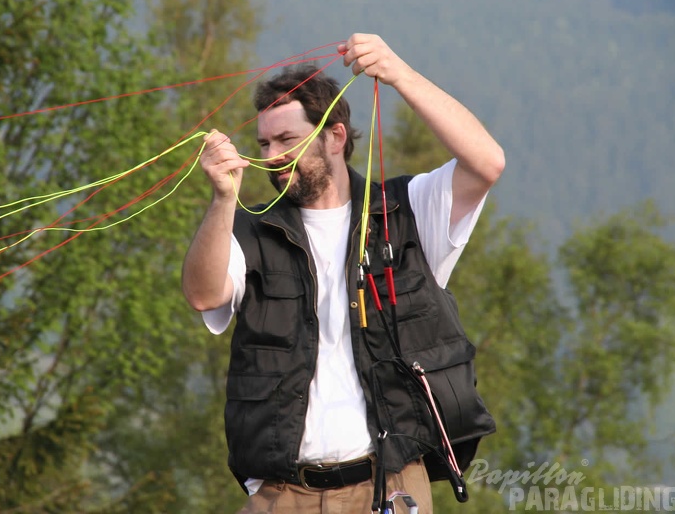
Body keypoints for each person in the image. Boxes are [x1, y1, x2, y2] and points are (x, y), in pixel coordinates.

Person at [181, 33, 504, 514]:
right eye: (265, 142)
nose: (272, 155)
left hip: (392, 485)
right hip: (280, 495)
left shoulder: (407, 210)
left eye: (288, 139)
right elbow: (203, 295)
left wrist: (397, 72)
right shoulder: (250, 231)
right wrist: (223, 198)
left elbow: (486, 162)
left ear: (334, 137)